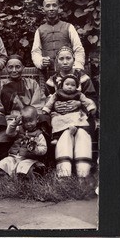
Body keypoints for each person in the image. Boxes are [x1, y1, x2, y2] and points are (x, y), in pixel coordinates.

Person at [0, 54, 49, 163]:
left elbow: (38, 104)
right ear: (6, 68)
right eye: (10, 67)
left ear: (23, 67)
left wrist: (26, 119)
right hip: (7, 123)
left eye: (17, 67)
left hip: (29, 123)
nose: (14, 70)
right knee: (1, 145)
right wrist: (7, 122)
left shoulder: (32, 84)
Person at [45, 46, 98, 179]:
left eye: (68, 58)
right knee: (65, 134)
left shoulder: (83, 78)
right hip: (59, 118)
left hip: (81, 116)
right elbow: (46, 101)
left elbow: (92, 99)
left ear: (74, 59)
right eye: (61, 59)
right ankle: (64, 172)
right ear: (57, 61)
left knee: (81, 133)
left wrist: (80, 104)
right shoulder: (52, 81)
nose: (65, 61)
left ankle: (83, 172)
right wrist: (55, 108)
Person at [31, 0, 85, 78]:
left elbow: (78, 49)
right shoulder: (40, 30)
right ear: (43, 9)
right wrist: (41, 61)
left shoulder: (69, 27)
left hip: (69, 75)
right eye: (48, 6)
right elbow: (35, 52)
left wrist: (77, 66)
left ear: (59, 8)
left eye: (54, 5)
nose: (51, 8)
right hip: (48, 74)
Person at [0, 106, 47, 177]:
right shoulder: (19, 129)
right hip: (13, 156)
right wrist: (15, 122)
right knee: (4, 163)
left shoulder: (39, 134)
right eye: (25, 121)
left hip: (28, 158)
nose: (28, 124)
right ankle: (3, 175)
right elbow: (9, 133)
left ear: (37, 119)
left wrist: (35, 149)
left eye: (31, 121)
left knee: (24, 167)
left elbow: (43, 149)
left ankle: (23, 176)